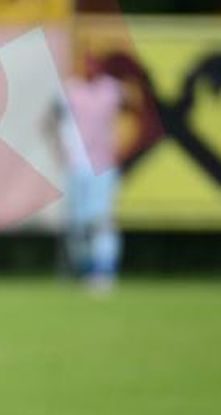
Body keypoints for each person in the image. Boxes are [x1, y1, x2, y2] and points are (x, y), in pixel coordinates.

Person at [53, 51, 124, 293]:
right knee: (78, 224)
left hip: (103, 165)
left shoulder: (112, 90)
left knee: (101, 220)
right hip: (77, 165)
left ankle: (104, 271)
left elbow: (136, 111)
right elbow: (53, 120)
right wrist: (60, 149)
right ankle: (86, 270)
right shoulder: (70, 90)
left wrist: (123, 148)